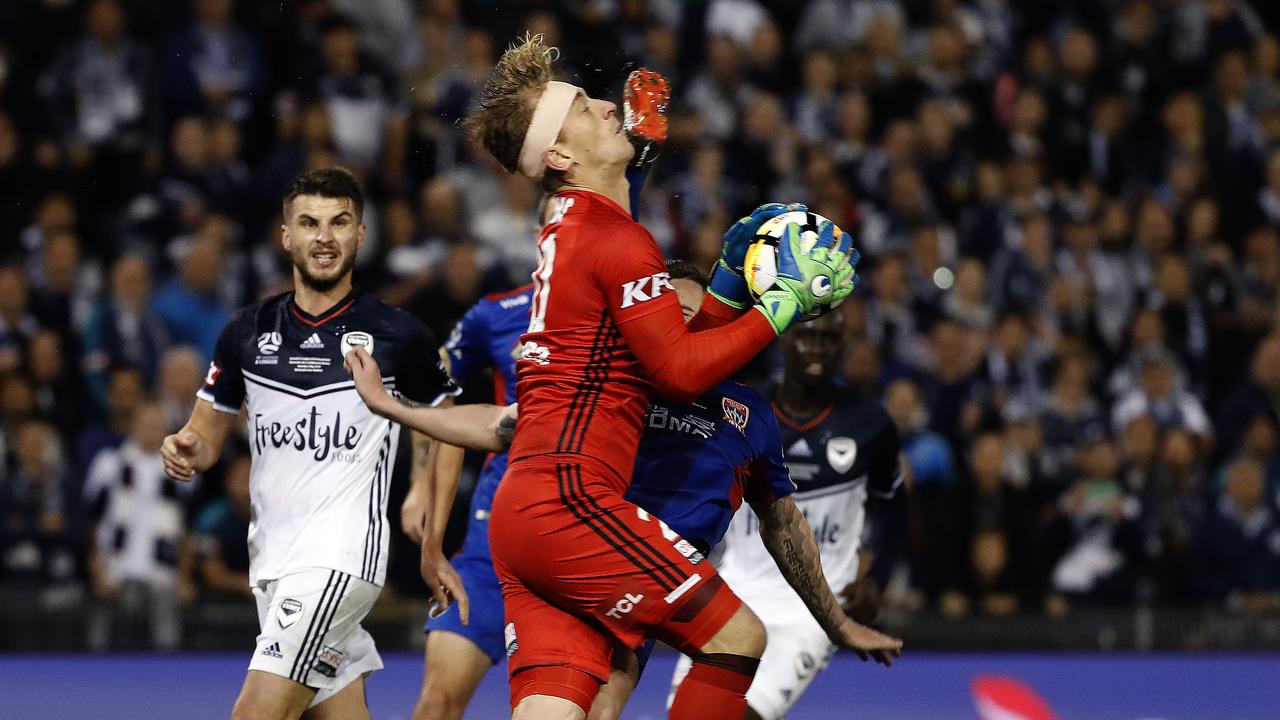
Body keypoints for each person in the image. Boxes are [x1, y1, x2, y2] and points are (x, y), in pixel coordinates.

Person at [457, 34, 858, 719]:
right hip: (572, 506)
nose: (607, 107)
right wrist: (782, 304)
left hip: (524, 516)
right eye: (584, 109)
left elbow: (662, 346)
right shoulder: (616, 239)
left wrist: (728, 286)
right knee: (737, 639)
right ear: (558, 155)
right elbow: (677, 374)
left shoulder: (574, 222)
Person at [345, 260, 900, 720]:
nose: (677, 332)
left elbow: (786, 528)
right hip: (587, 555)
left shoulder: (748, 412)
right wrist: (393, 407)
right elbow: (500, 422)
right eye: (666, 319)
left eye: (691, 320)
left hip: (644, 589)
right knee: (738, 638)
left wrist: (836, 620)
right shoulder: (610, 381)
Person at [160, 167, 461, 720]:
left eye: (339, 222)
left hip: (340, 560)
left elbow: (449, 423)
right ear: (286, 236)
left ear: (360, 235)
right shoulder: (246, 331)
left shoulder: (397, 333)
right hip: (273, 561)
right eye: (309, 223)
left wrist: (433, 539)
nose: (324, 236)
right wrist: (185, 447)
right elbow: (205, 431)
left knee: (256, 713)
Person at [670, 309, 905, 720]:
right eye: (806, 337)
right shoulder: (742, 409)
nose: (816, 348)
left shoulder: (872, 424)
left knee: (748, 714)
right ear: (782, 340)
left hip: (812, 610)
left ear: (841, 347)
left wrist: (877, 580)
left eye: (828, 339)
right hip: (733, 591)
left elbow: (895, 507)